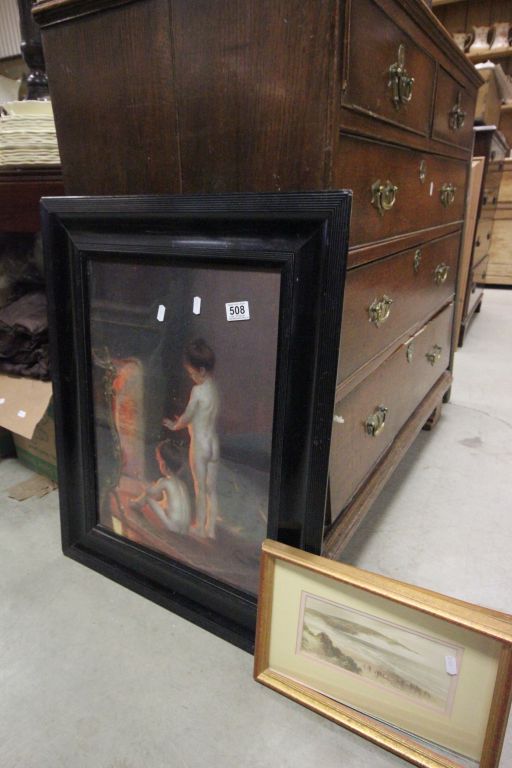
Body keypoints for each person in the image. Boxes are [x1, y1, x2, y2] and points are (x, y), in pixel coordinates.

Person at [163, 338, 220, 539]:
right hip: (213, 443)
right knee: (211, 489)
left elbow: (188, 415)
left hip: (200, 444)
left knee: (200, 488)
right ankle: (211, 528)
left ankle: (200, 528)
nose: (191, 376)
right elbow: (204, 415)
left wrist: (175, 425)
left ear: (201, 370)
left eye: (191, 373)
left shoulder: (197, 391)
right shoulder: (213, 388)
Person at [130, 440, 191, 535]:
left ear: (163, 464)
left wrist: (140, 479)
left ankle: (136, 504)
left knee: (148, 496)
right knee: (163, 502)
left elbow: (150, 492)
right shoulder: (182, 484)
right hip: (185, 529)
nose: (158, 464)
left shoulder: (165, 481)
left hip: (172, 526)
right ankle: (137, 503)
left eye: (158, 460)